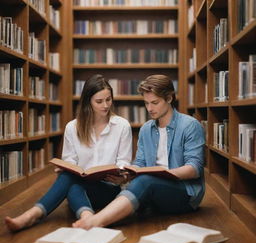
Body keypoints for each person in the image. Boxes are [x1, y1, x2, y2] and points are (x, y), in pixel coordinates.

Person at [71, 74, 205, 229]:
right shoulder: (146, 129)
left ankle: (96, 221)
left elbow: (194, 168)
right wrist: (126, 176)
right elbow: (139, 164)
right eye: (146, 103)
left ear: (169, 98)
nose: (150, 108)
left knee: (146, 181)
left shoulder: (190, 126)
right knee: (139, 182)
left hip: (184, 193)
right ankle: (95, 215)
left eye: (155, 102)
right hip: (152, 189)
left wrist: (162, 174)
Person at [5, 74, 132, 231]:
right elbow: (70, 160)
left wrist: (121, 176)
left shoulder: (122, 126)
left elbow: (124, 162)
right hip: (81, 186)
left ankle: (32, 215)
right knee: (69, 177)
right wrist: (67, 167)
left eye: (108, 99)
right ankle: (87, 217)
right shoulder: (73, 127)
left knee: (70, 181)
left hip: (109, 189)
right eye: (99, 101)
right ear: (88, 102)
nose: (105, 105)